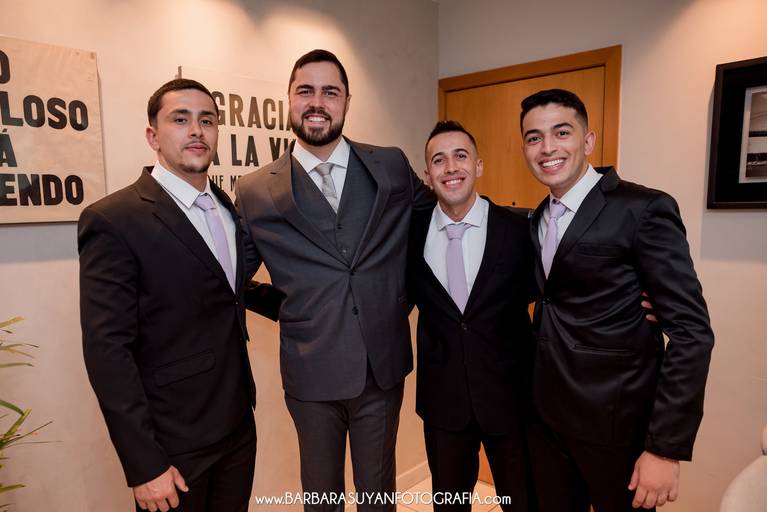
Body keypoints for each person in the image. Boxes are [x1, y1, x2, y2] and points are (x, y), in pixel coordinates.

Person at [235, 49, 435, 511]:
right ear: (289, 99)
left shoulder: (389, 166)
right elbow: (228, 275)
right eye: (305, 91)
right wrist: (285, 306)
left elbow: (436, 225)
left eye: (330, 92)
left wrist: (396, 296)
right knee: (321, 498)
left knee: (378, 498)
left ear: (346, 101)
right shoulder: (255, 190)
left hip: (381, 369)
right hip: (311, 373)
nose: (317, 102)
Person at [79, 78, 278, 512]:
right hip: (173, 443)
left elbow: (222, 286)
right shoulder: (114, 219)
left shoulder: (224, 205)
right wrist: (144, 464)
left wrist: (303, 304)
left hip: (237, 425)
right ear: (153, 136)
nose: (196, 131)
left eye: (207, 120)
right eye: (180, 119)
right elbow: (107, 350)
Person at [519, 88, 714, 511]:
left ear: (588, 141)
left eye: (562, 132)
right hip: (547, 421)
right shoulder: (538, 217)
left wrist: (664, 448)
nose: (547, 147)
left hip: (616, 426)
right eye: (534, 138)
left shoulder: (643, 209)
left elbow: (692, 333)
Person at [407, 120, 535, 511]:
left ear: (478, 165)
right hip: (443, 404)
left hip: (512, 400)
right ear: (427, 174)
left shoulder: (520, 229)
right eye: (439, 160)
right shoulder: (409, 233)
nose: (451, 168)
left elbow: (558, 292)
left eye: (460, 156)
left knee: (523, 502)